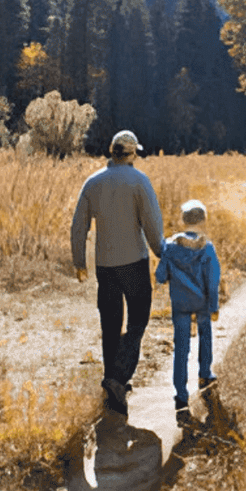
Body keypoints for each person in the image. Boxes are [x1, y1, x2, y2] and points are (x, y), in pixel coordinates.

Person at [70, 129, 166, 418]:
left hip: (105, 266)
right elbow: (152, 225)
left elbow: (78, 226)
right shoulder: (139, 181)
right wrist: (164, 253)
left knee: (110, 325)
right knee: (138, 321)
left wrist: (79, 262)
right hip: (134, 263)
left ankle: (113, 392)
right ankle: (118, 378)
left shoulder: (93, 182)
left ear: (111, 152)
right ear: (133, 153)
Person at [157, 198, 221, 423]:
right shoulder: (207, 247)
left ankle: (181, 397)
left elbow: (160, 276)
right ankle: (205, 375)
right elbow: (213, 281)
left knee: (181, 348)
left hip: (181, 303)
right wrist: (214, 306)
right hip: (202, 302)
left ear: (183, 220)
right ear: (203, 220)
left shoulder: (170, 246)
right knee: (206, 337)